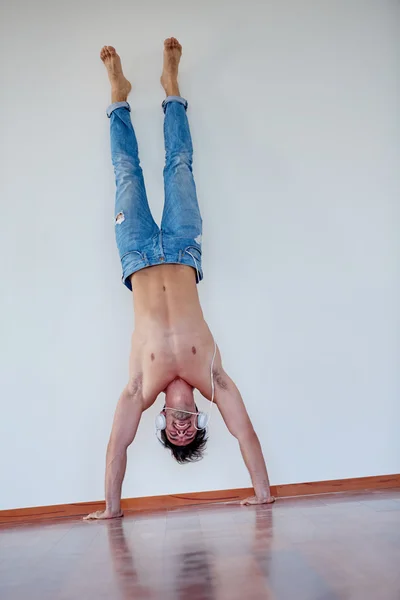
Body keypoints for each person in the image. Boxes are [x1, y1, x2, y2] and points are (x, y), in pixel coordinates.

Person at [85, 38, 274, 520]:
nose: (183, 430)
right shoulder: (214, 378)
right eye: (190, 432)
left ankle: (118, 96)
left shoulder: (138, 388)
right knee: (180, 165)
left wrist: (111, 509)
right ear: (196, 417)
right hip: (184, 246)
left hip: (137, 255)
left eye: (175, 433)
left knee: (125, 170)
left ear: (165, 420)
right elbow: (245, 432)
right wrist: (264, 494)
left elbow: (116, 447)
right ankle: (172, 87)